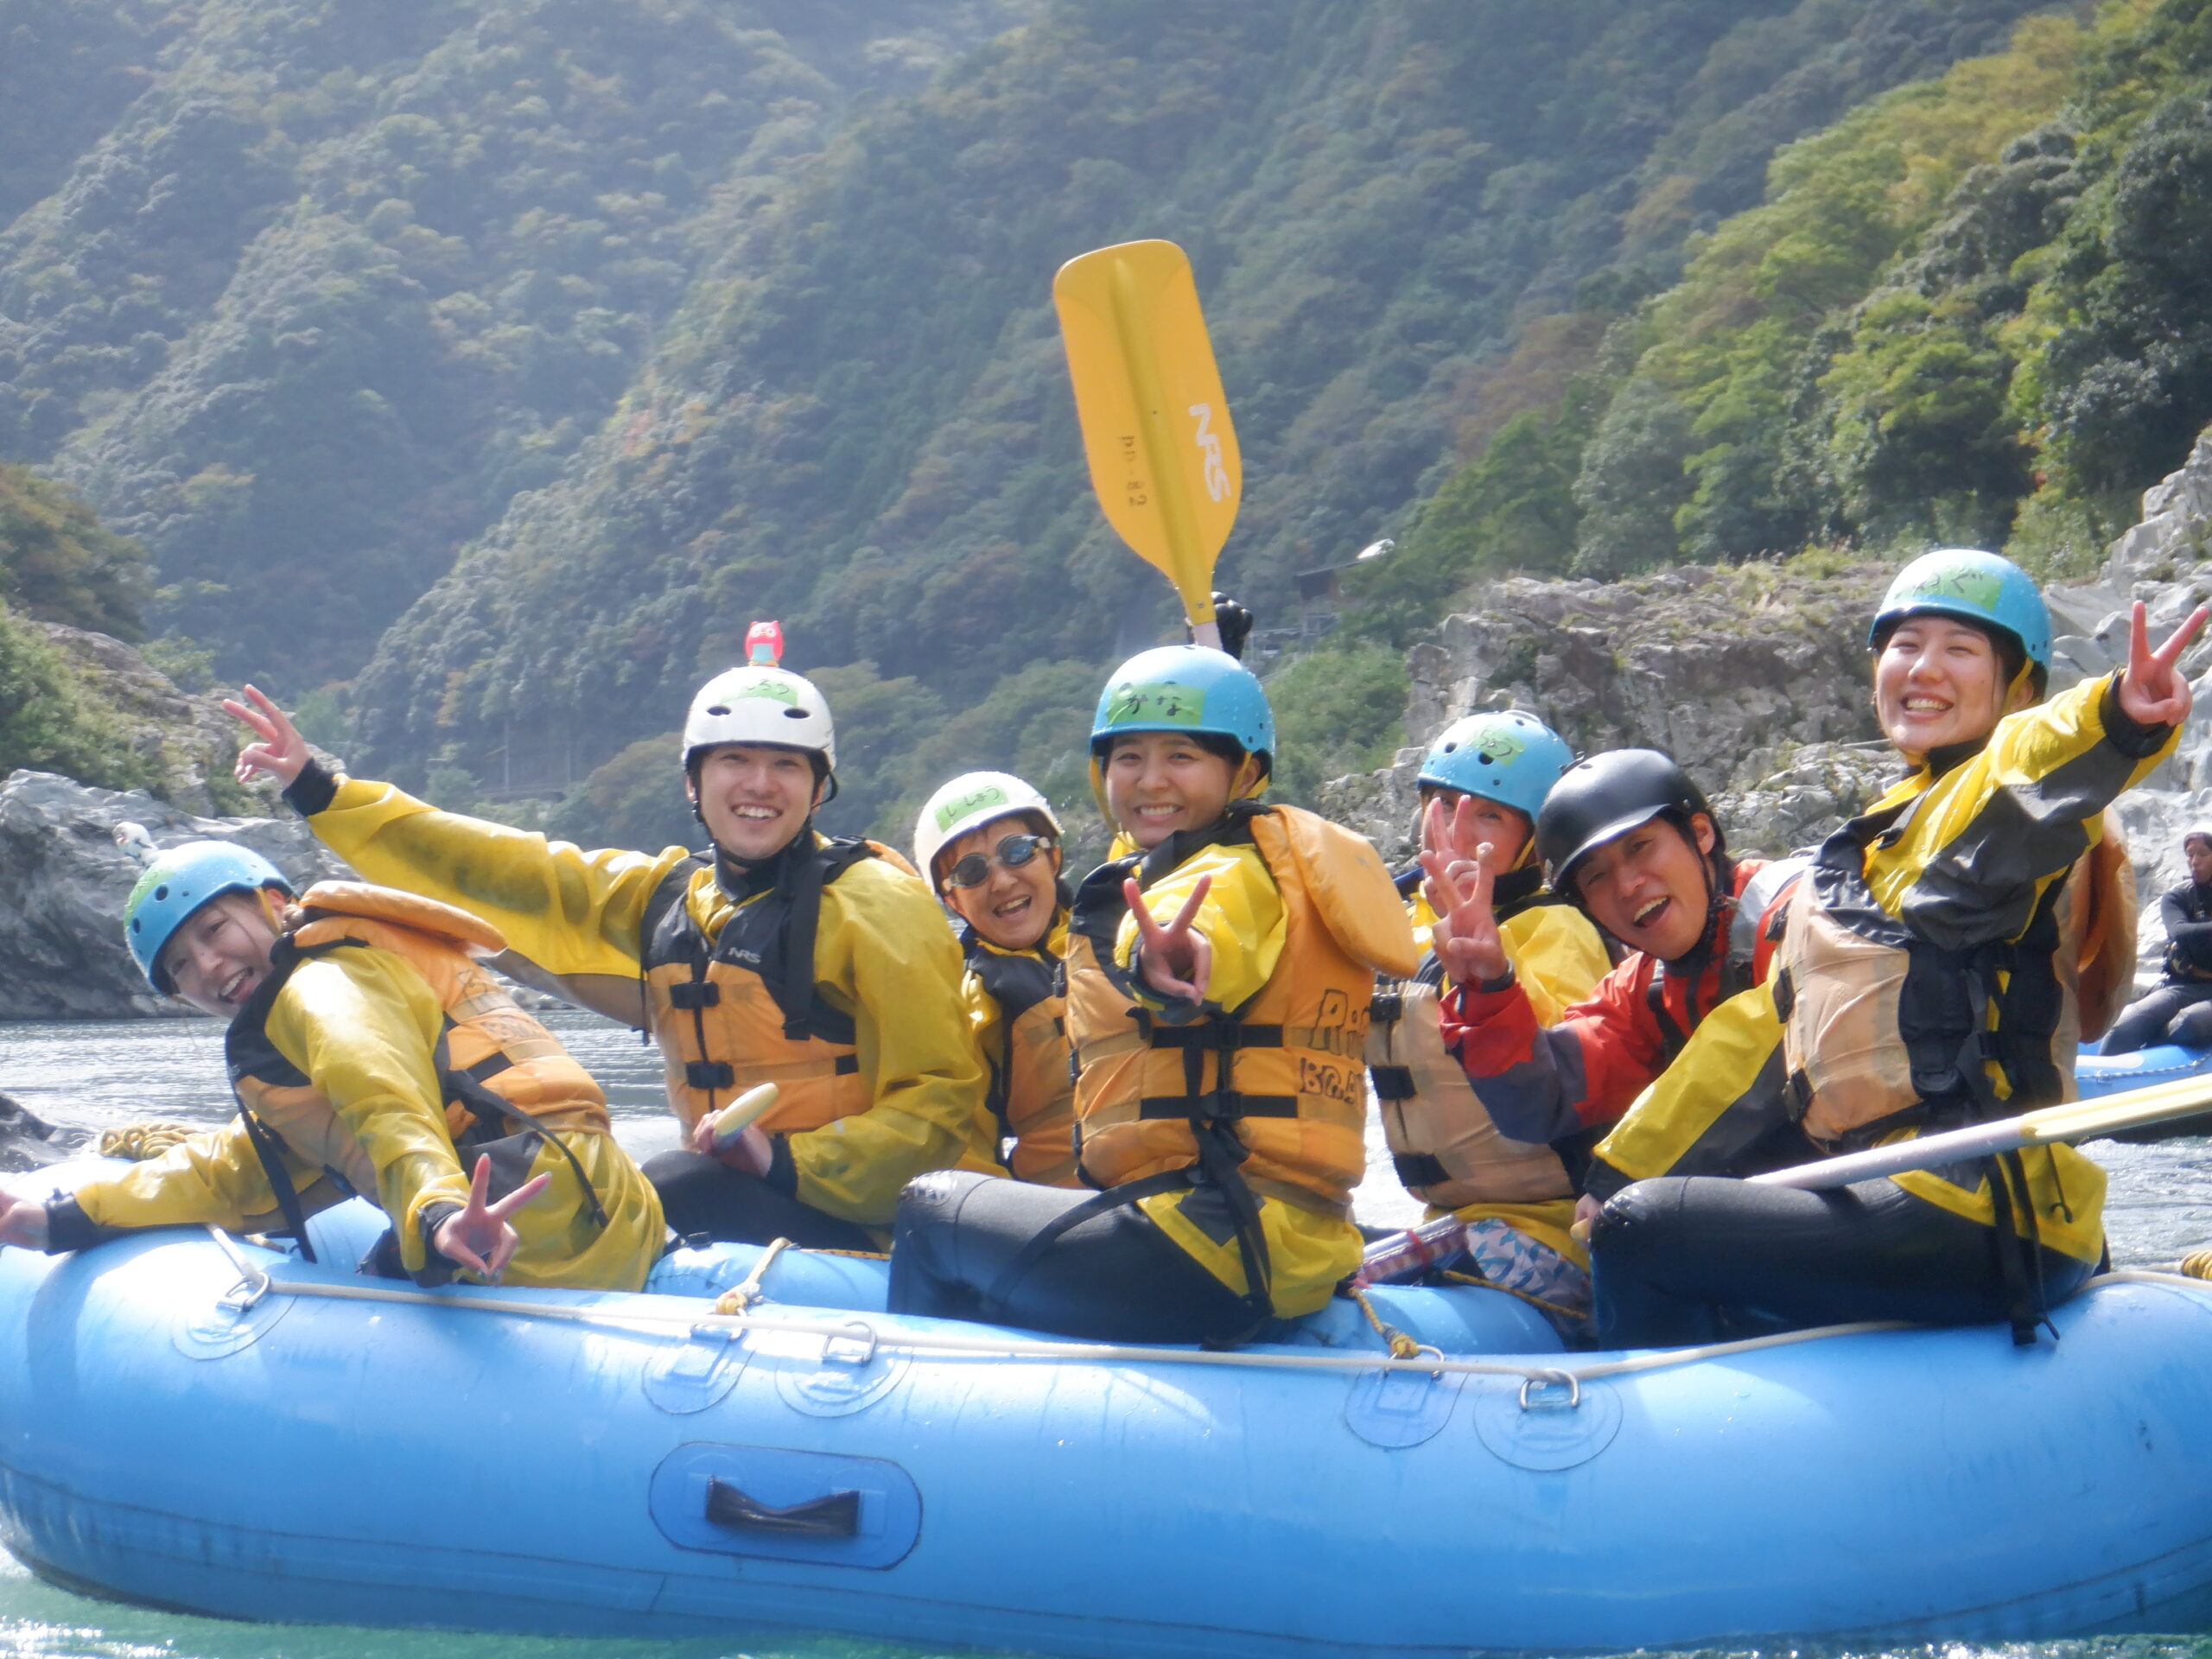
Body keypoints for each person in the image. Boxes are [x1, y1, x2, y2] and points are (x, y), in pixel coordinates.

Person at [1546, 550, 2201, 1347]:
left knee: (1643, 1232)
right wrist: (1620, 1166)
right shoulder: (1884, 839)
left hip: (1974, 1203)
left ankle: (1652, 1453)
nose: (1924, 668)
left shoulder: (1995, 810)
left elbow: (2029, 763)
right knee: (1636, 1203)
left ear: (2019, 686)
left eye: (1960, 650)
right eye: (1904, 645)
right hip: (1902, 1189)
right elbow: (1757, 1032)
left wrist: (2120, 719)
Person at [224, 636, 993, 1253]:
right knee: (606, 1181)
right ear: (694, 783)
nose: (760, 784)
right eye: (734, 761)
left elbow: (938, 1106)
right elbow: (501, 867)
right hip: (746, 1199)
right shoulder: (665, 895)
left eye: (786, 766)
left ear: (819, 788)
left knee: (670, 1187)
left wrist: (786, 1161)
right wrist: (323, 790)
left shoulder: (877, 905)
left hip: (873, 1222)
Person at [887, 644, 1418, 1343]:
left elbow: (1204, 935)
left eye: (1181, 757)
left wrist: (1171, 957)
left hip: (1207, 1240)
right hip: (1278, 1239)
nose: (1150, 779)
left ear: (1245, 770)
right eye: (1129, 758)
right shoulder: (1196, 865)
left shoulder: (1230, 875)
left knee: (932, 1213)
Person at [0, 841, 664, 1289]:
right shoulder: (326, 990)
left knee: (372, 1290)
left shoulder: (322, 988)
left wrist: (438, 1213)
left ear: (271, 902)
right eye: (179, 967)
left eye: (213, 930)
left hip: (524, 1232)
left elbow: (385, 1103)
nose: (206, 967)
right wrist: (64, 1215)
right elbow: (241, 1172)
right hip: (606, 1209)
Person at [1427, 747, 1802, 1158]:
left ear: (1700, 834)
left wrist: (1625, 1169)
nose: (1625, 886)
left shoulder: (1794, 913)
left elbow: (1764, 1060)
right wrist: (1488, 985)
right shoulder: (1641, 991)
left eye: (1639, 846)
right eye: (1596, 877)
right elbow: (1540, 1100)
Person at [1367, 711, 1613, 1316]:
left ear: (1536, 839)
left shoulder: (1555, 927)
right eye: (1442, 805)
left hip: (1550, 1229)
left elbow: (1560, 1061)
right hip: (1455, 1217)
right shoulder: (1407, 935)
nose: (1455, 828)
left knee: (1353, 1288)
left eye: (1489, 815)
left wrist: (1488, 968)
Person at [913, 771, 1079, 1186]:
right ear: (952, 900)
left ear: (1053, 857)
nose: (1003, 881)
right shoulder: (969, 1007)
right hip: (1073, 1214)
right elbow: (964, 1150)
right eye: (971, 873)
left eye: (1018, 851)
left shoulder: (1129, 933)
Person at [2101, 827, 2212, 1053]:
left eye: (2202, 854)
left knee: (2192, 1020)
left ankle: (2156, 1044)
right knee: (2123, 1029)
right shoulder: (2179, 897)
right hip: (2184, 985)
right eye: (2190, 855)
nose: (2194, 861)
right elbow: (2179, 932)